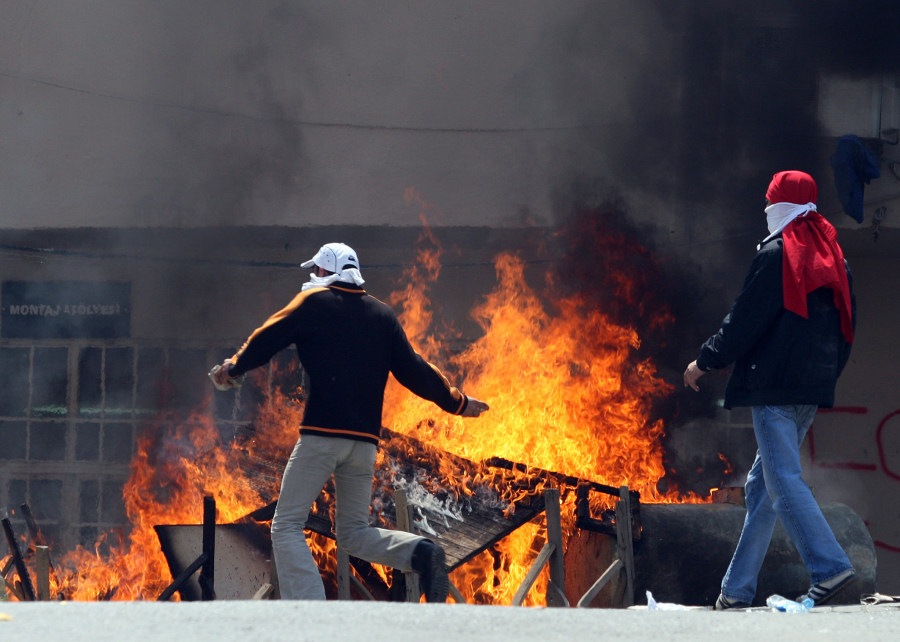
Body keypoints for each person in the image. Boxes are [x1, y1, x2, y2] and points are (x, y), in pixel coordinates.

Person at [212, 242, 489, 601]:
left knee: (286, 524)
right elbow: (417, 371)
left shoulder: (312, 304)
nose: (313, 277)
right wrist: (457, 402)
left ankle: (316, 616)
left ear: (328, 271)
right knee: (354, 533)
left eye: (317, 271)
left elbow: (269, 336)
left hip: (321, 437)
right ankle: (420, 552)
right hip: (363, 445)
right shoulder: (384, 316)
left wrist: (234, 366)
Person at [683, 171, 857, 609]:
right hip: (809, 390)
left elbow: (744, 319)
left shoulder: (777, 255)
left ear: (781, 208)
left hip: (774, 389)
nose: (766, 213)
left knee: (781, 483)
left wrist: (705, 360)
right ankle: (735, 591)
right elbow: (846, 327)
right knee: (762, 487)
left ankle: (830, 567)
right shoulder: (835, 257)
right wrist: (825, 377)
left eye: (769, 205)